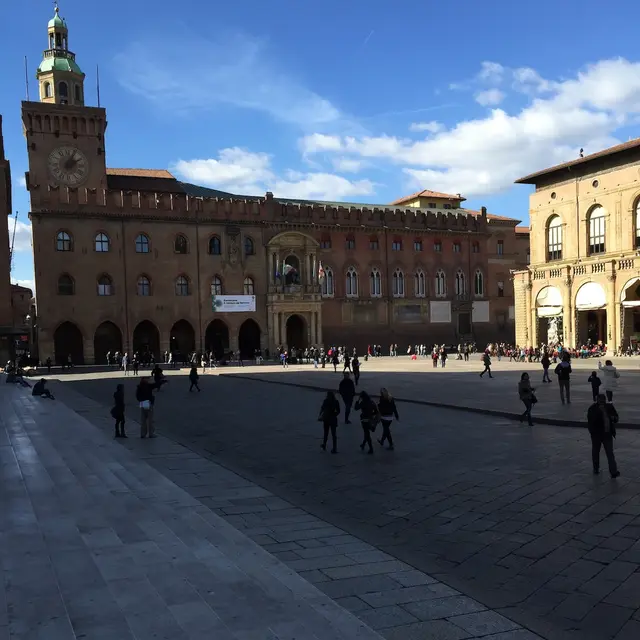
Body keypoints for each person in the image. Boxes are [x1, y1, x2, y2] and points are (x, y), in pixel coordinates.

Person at [587, 393, 620, 478]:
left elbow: (616, 417)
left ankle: (613, 471)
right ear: (597, 400)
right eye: (600, 400)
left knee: (610, 453)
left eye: (603, 400)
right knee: (595, 452)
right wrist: (600, 411)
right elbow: (591, 421)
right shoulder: (592, 409)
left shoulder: (609, 407)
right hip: (596, 435)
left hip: (607, 434)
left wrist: (613, 418)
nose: (602, 402)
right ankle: (596, 468)